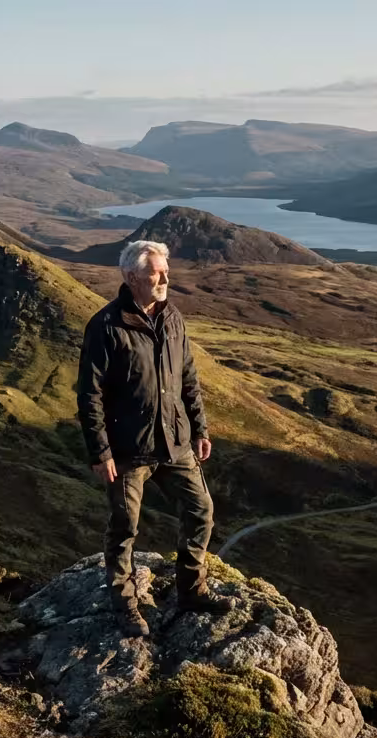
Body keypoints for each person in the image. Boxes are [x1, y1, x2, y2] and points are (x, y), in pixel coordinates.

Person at [76, 240, 231, 637]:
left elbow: (189, 378)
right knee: (124, 526)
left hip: (175, 443)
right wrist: (101, 451)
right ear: (131, 277)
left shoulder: (173, 318)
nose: (165, 278)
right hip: (128, 450)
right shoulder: (106, 326)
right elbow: (89, 394)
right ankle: (124, 604)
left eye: (165, 271)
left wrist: (200, 428)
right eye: (156, 273)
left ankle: (191, 591)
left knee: (201, 511)